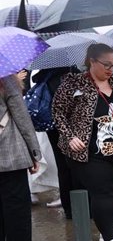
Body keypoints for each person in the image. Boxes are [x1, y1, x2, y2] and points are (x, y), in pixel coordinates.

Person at [52, 43, 113, 241]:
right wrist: (70, 136)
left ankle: (108, 230)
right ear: (92, 61)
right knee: (104, 191)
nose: (111, 69)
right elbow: (57, 112)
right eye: (106, 64)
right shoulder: (73, 83)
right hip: (88, 152)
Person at [0, 74, 49, 241]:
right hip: (10, 154)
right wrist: (34, 152)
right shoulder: (5, 79)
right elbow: (21, 116)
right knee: (17, 208)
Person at [29, 67, 77, 217]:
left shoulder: (44, 76)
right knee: (74, 166)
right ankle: (77, 206)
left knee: (62, 165)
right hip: (70, 126)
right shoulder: (69, 77)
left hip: (51, 126)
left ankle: (68, 206)